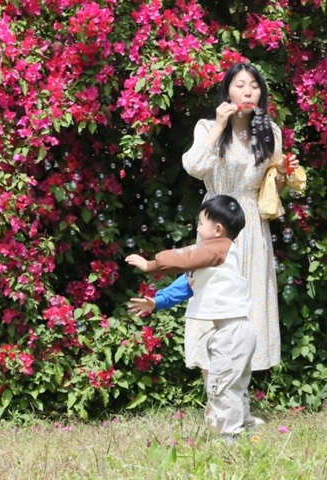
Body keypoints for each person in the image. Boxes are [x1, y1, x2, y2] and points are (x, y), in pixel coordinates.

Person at [181, 62, 298, 375]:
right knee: (214, 304)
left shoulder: (270, 131)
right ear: (227, 90)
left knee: (248, 307)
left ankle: (238, 399)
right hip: (217, 220)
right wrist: (220, 125)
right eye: (240, 84)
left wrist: (284, 176)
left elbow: (271, 187)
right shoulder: (207, 128)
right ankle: (215, 401)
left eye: (255, 85)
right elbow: (193, 167)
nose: (248, 91)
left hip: (252, 225)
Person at [127, 195, 257, 440]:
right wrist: (156, 301)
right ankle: (244, 424)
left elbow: (184, 257)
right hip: (234, 330)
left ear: (218, 229)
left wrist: (151, 265)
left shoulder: (221, 247)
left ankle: (230, 436)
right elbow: (185, 285)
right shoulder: (211, 262)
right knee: (234, 383)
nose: (197, 228)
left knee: (221, 385)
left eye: (200, 223)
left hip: (232, 330)